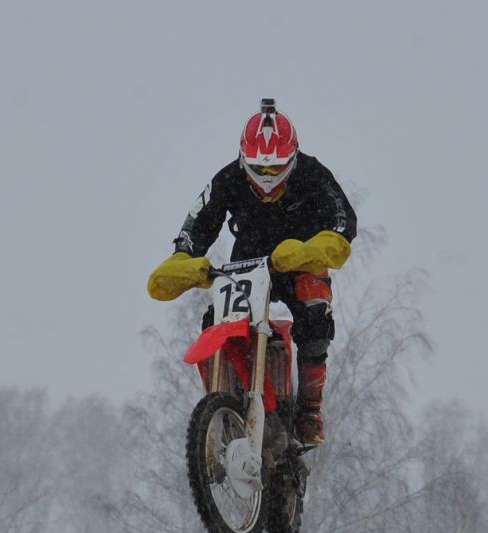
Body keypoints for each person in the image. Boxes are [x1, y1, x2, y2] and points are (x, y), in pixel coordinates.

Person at [146, 99, 357, 446]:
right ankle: (226, 401)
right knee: (216, 321)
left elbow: (344, 221)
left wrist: (313, 249)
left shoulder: (313, 174)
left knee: (316, 313)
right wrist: (182, 258)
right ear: (244, 159)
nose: (268, 178)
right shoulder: (229, 178)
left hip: (299, 259)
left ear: (293, 158)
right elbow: (197, 224)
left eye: (276, 169)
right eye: (259, 169)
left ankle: (309, 410)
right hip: (248, 262)